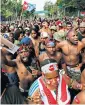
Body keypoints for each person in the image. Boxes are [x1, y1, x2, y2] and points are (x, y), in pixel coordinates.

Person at [56, 29, 85, 102]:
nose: (76, 37)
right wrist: (62, 66)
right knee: (67, 87)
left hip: (76, 69)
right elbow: (57, 54)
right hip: (66, 68)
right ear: (68, 37)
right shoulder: (61, 44)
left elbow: (84, 55)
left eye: (76, 35)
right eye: (73, 36)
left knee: (78, 87)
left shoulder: (81, 44)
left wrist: (81, 64)